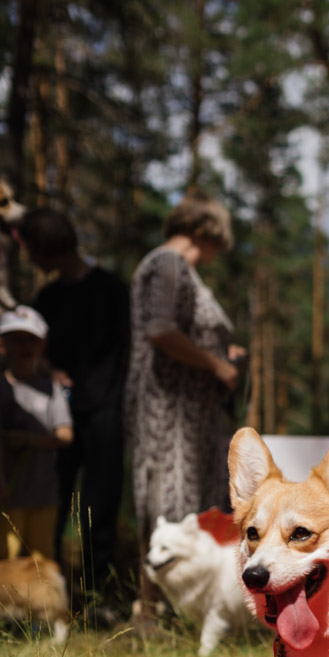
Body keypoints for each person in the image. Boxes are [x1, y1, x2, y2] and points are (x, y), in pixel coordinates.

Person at [124, 191, 245, 627]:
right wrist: (214, 362)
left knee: (189, 506)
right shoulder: (167, 263)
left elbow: (183, 328)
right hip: (168, 412)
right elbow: (160, 328)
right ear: (205, 232)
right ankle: (152, 612)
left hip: (193, 415)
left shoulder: (179, 269)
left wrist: (221, 352)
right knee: (168, 503)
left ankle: (185, 610)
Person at [17, 208, 129, 613]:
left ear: (46, 248)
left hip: (106, 412)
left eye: (32, 249)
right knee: (53, 500)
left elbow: (131, 347)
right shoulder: (48, 298)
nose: (30, 258)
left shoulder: (111, 289)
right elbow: (34, 353)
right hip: (58, 418)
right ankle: (47, 597)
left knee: (100, 504)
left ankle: (97, 597)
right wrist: (49, 370)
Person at [0, 305, 73, 560]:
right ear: (3, 345)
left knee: (43, 562)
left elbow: (65, 434)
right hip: (8, 497)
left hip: (44, 494)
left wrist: (29, 440)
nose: (24, 347)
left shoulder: (51, 389)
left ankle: (46, 603)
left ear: (41, 346)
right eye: (17, 340)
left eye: (31, 340)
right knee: (7, 563)